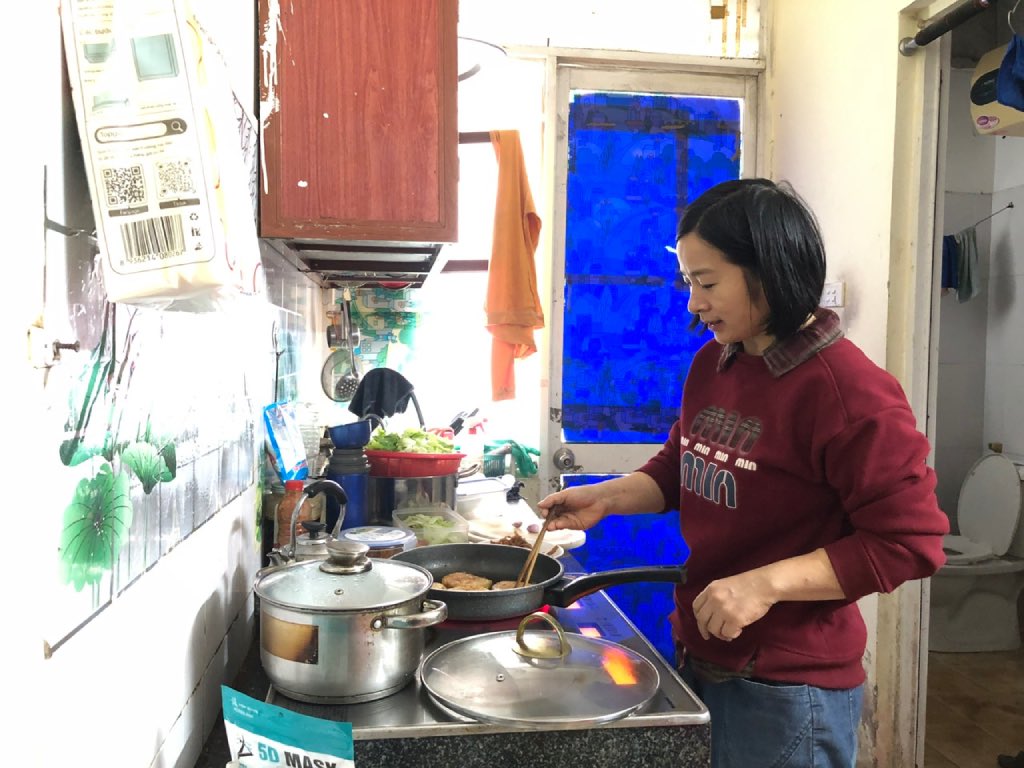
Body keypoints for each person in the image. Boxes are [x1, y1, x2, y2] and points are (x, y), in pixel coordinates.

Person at [538, 178, 949, 768]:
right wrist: (606, 497)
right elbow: (682, 464)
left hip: (788, 688)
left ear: (771, 271)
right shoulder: (717, 361)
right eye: (688, 282)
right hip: (703, 652)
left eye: (707, 283)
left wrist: (764, 585)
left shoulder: (848, 393)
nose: (693, 303)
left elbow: (909, 543)